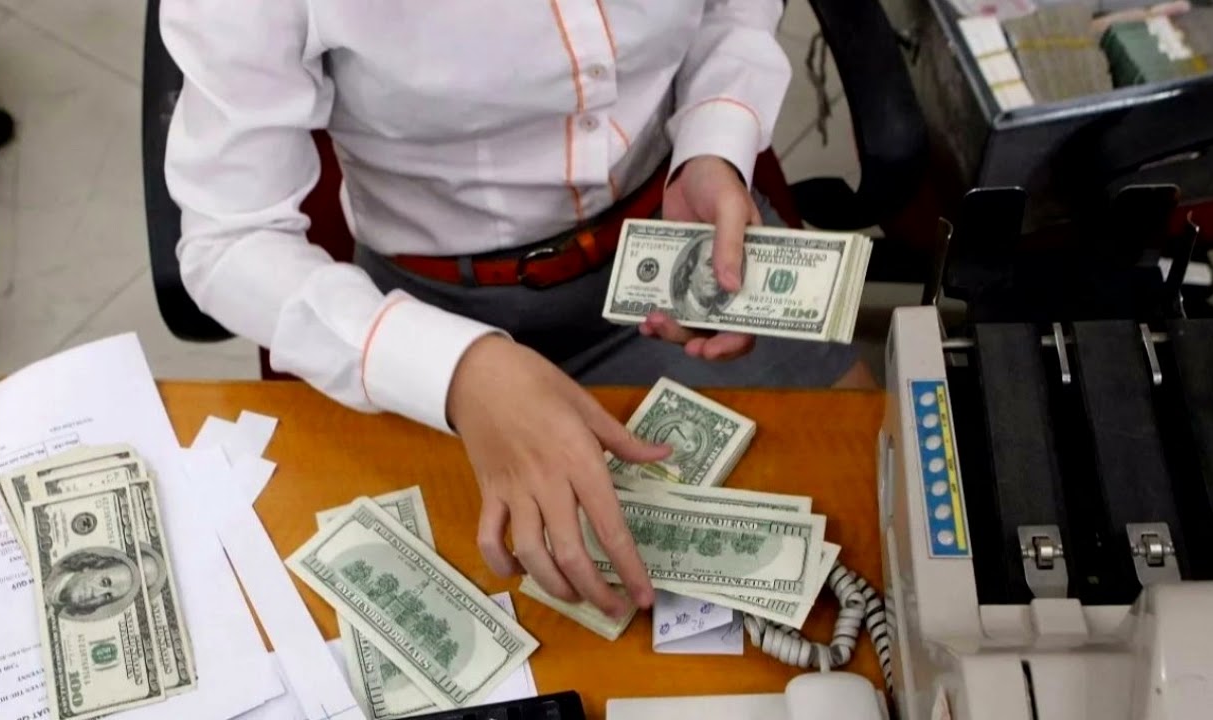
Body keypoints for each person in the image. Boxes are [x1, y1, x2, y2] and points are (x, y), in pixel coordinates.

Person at [161, 1, 863, 621]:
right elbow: (228, 241)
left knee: (865, 518)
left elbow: (731, 7)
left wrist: (715, 144)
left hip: (669, 249)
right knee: (534, 633)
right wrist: (455, 372)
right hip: (432, 320)